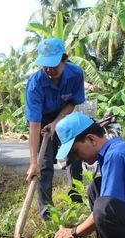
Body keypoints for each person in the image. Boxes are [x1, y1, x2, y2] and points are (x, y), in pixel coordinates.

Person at [25, 37, 85, 220]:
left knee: (76, 154)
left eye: (54, 66)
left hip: (64, 115)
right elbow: (34, 125)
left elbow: (73, 103)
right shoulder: (35, 84)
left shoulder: (75, 74)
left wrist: (57, 122)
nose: (49, 71)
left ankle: (76, 200)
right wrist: (33, 162)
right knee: (44, 164)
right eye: (45, 66)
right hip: (42, 120)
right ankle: (48, 214)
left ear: (64, 59)